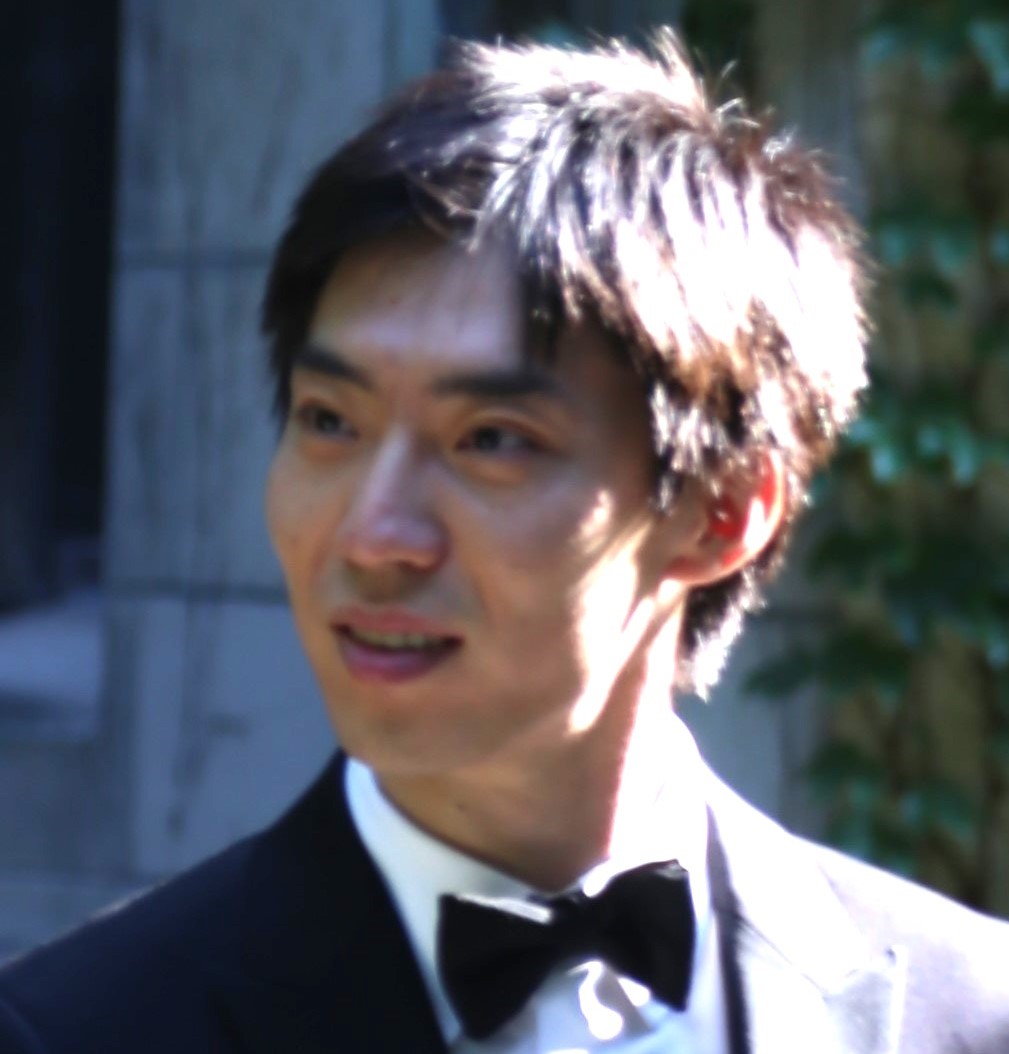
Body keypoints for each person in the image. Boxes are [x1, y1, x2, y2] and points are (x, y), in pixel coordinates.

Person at [1, 28, 1007, 1054]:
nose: (373, 536)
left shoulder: (969, 1013)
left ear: (722, 513)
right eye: (330, 422)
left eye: (489, 440)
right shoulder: (72, 1030)